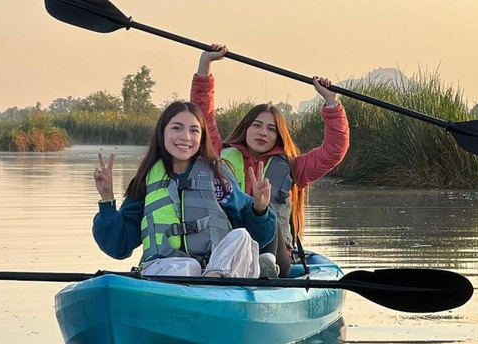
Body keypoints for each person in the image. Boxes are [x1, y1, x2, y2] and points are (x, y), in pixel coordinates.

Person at [192, 45, 350, 277]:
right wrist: (205, 65)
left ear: (278, 136)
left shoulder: (293, 167)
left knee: (269, 219)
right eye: (256, 125)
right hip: (229, 249)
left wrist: (331, 102)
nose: (262, 133)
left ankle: (265, 267)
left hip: (276, 256)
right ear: (246, 129)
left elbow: (334, 150)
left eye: (271, 129)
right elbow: (202, 114)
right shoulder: (219, 155)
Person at [92, 101, 277, 278]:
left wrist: (260, 209)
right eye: (176, 128)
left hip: (215, 270)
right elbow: (119, 246)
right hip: (163, 270)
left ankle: (213, 279)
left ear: (202, 137)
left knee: (241, 236)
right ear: (162, 133)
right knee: (188, 266)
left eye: (194, 130)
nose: (185, 137)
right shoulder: (146, 180)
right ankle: (211, 281)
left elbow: (259, 236)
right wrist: (107, 200)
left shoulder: (218, 176)